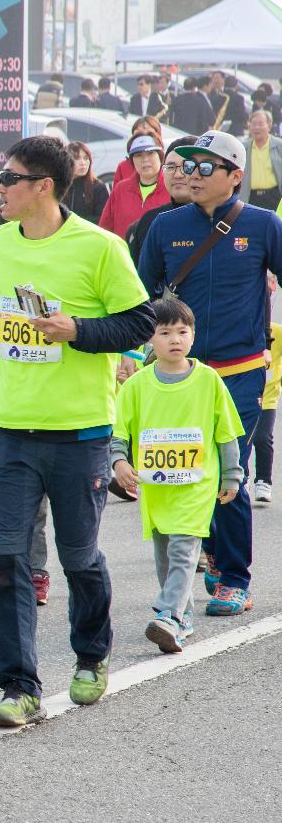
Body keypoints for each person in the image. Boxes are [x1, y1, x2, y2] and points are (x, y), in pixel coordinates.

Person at [0, 135, 155, 726]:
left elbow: (139, 322)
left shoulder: (100, 247)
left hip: (80, 434)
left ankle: (90, 656)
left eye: (8, 179)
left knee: (79, 557)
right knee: (6, 560)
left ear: (43, 187)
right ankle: (18, 687)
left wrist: (75, 330)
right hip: (10, 430)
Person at [138, 131, 282, 616]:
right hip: (180, 374)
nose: (190, 174)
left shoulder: (263, 226)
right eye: (187, 165)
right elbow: (140, 299)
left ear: (235, 177)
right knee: (191, 468)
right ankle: (214, 554)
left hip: (241, 371)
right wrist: (132, 355)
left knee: (227, 468)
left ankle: (234, 578)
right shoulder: (165, 226)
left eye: (205, 167)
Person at [111, 297, 244, 653]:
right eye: (164, 332)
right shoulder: (137, 386)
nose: (174, 339)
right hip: (156, 489)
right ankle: (181, 617)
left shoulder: (208, 380)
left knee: (185, 551)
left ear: (193, 335)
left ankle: (168, 614)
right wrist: (119, 463)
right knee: (165, 554)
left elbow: (226, 432)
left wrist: (232, 475)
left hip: (196, 487)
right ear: (148, 340)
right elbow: (119, 433)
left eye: (182, 332)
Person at [126, 136, 199, 266]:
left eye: (186, 166)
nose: (177, 174)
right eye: (170, 167)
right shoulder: (149, 222)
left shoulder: (224, 218)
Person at [100, 134, 170, 238]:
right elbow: (104, 228)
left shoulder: (172, 188)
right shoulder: (121, 189)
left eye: (150, 153)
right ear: (132, 160)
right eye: (138, 155)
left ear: (160, 156)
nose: (145, 159)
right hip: (123, 253)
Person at [255, 297, 282, 504]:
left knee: (263, 437)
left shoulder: (277, 332)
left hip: (268, 398)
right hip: (245, 395)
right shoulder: (242, 332)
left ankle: (263, 480)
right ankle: (241, 477)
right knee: (240, 438)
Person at [62, 141, 110, 226]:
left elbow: (103, 219)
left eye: (86, 158)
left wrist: (75, 221)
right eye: (77, 158)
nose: (83, 163)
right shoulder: (59, 186)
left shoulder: (98, 187)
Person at [243, 110, 282, 211]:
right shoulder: (244, 148)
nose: (256, 127)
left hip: (274, 196)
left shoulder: (279, 146)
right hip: (251, 198)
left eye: (260, 124)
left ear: (269, 126)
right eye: (253, 124)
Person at [112, 116, 163, 186]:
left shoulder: (170, 165)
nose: (143, 137)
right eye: (138, 134)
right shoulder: (123, 167)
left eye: (149, 133)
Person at [216, 73, 250, 137]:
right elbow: (242, 114)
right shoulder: (239, 97)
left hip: (220, 130)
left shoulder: (218, 96)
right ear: (236, 86)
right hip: (235, 130)